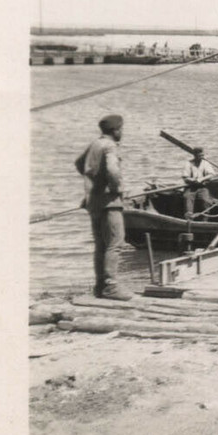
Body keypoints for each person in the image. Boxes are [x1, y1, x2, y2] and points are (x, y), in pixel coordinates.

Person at [74, 114, 133, 300]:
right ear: (116, 130)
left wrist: (93, 184)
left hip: (93, 202)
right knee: (115, 243)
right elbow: (113, 170)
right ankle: (111, 287)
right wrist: (117, 188)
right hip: (109, 202)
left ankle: (100, 286)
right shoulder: (109, 146)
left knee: (101, 244)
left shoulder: (95, 144)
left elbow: (79, 163)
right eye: (121, 129)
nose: (122, 132)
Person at [182, 147, 218, 218]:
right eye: (200, 156)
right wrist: (193, 180)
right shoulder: (188, 163)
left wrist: (202, 179)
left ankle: (205, 219)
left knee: (206, 200)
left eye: (202, 155)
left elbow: (211, 174)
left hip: (202, 187)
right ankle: (189, 217)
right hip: (191, 187)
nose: (202, 157)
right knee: (187, 197)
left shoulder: (205, 163)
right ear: (195, 155)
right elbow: (185, 178)